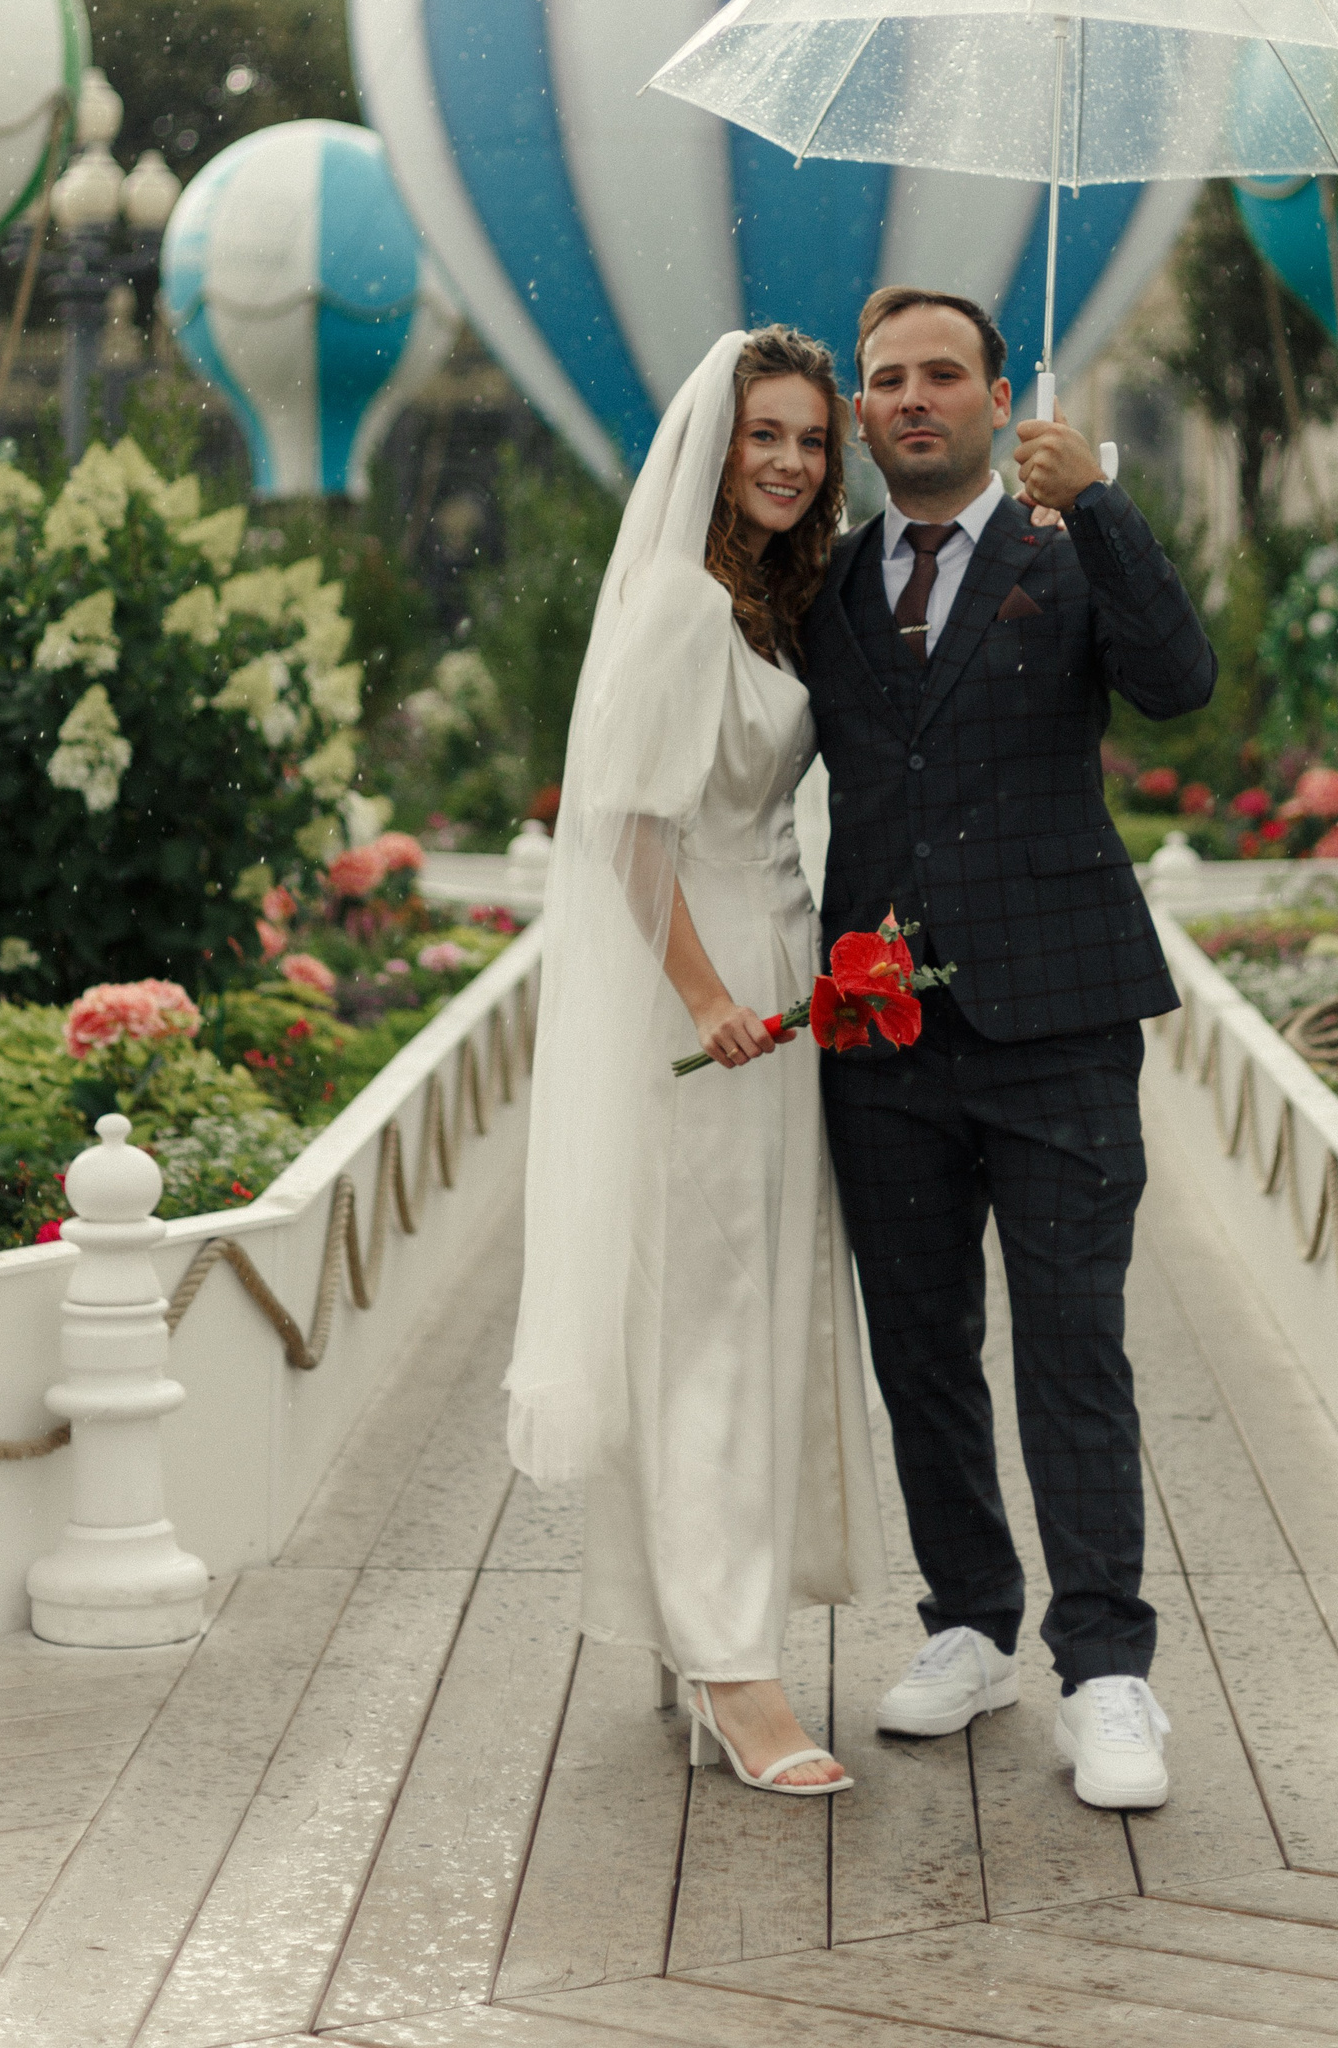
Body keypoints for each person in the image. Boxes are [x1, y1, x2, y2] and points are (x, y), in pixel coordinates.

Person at [803, 286, 1216, 1811]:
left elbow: (1180, 686)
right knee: (920, 1351)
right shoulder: (827, 587)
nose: (913, 398)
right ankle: (969, 1623)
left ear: (996, 396)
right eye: (887, 379)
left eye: (942, 375)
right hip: (881, 1034)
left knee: (1071, 1348)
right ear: (862, 410)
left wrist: (1099, 502)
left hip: (1061, 1023)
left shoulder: (1065, 545)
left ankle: (1106, 1670)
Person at [506, 325, 885, 1799]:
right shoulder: (677, 605)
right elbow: (621, 823)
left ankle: (699, 1626)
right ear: (716, 451)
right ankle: (735, 1669)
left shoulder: (768, 605)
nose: (788, 461)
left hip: (780, 970)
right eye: (763, 435)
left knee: (747, 1305)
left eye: (810, 439)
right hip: (709, 996)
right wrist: (709, 994)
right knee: (711, 1321)